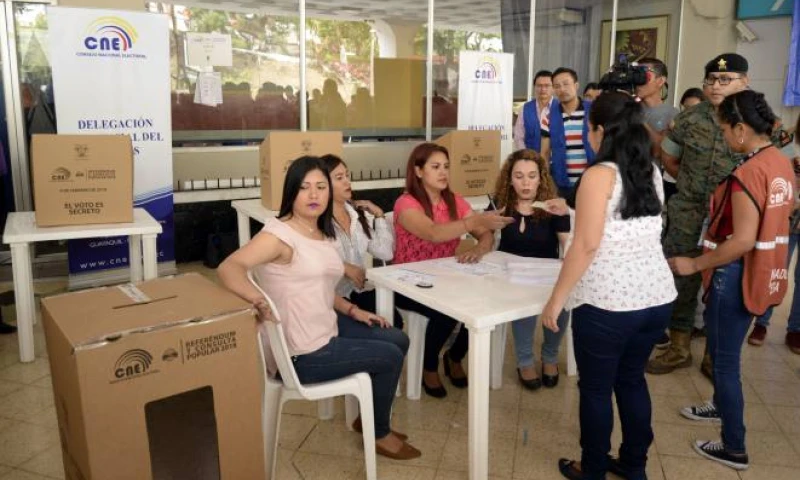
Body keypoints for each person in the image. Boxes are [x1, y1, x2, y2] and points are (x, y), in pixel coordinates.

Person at [218, 156, 421, 460]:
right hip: (301, 352)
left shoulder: (318, 231)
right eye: (304, 188)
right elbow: (230, 267)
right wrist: (258, 299)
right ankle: (379, 433)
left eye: (321, 187)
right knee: (389, 356)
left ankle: (368, 418)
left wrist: (353, 311)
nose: (314, 195)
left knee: (397, 338)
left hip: (325, 327)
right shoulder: (279, 235)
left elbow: (319, 288)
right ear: (291, 193)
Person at [539, 91, 676, 480]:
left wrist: (556, 300)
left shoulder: (598, 174)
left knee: (596, 389)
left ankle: (594, 469)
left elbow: (586, 245)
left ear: (600, 130)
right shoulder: (648, 169)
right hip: (655, 297)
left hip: (609, 303)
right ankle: (635, 467)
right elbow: (623, 220)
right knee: (632, 380)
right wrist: (568, 208)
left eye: (589, 128)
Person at [671, 90, 795, 470]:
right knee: (727, 354)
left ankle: (733, 446)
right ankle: (718, 406)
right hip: (764, 272)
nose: (723, 137)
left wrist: (694, 265)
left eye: (725, 129)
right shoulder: (779, 163)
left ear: (741, 129)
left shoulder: (746, 174)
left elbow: (741, 241)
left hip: (735, 276)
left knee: (725, 365)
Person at [647, 53, 753, 377]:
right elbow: (669, 158)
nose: (716, 85)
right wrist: (691, 185)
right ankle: (679, 347)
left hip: (733, 218)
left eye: (725, 79)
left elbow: (772, 167)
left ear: (744, 82)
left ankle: (714, 355)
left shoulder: (756, 121)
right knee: (682, 277)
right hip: (688, 212)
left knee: (724, 284)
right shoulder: (689, 120)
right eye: (711, 79)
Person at [393, 143, 513, 398]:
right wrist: (475, 220)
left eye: (446, 167)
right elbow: (433, 233)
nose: (443, 172)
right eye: (435, 167)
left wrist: (480, 248)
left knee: (486, 302)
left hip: (446, 276)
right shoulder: (406, 203)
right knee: (447, 311)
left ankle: (455, 355)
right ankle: (428, 366)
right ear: (418, 171)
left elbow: (485, 235)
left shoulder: (455, 201)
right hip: (406, 281)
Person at [493, 149, 570, 390]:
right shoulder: (499, 204)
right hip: (510, 277)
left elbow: (567, 243)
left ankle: (550, 356)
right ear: (509, 179)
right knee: (522, 305)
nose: (526, 183)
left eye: (532, 176)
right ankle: (525, 361)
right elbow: (484, 240)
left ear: (541, 178)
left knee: (564, 301)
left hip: (546, 275)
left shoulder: (552, 207)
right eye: (518, 176)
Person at [747, 113, 800, 354]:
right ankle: (761, 322)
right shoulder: (789, 140)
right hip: (785, 217)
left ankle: (795, 329)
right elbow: (776, 171)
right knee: (773, 270)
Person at [541, 67, 597, 196]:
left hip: (592, 182)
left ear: (576, 85)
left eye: (566, 84)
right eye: (557, 86)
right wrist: (547, 184)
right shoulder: (548, 115)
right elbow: (544, 153)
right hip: (562, 186)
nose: (562, 89)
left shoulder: (594, 111)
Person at [636, 58, 680, 204]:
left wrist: (637, 117)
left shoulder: (672, 114)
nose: (639, 80)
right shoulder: (624, 107)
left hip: (653, 185)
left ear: (660, 81)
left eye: (645, 75)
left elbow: (658, 151)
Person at [513, 70, 556, 151]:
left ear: (553, 88)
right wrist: (526, 155)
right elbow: (518, 137)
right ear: (534, 87)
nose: (543, 89)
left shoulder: (560, 107)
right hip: (531, 158)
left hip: (555, 160)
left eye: (547, 86)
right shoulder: (525, 108)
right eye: (539, 85)